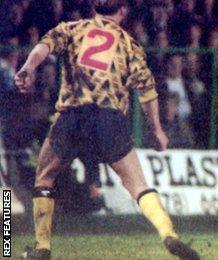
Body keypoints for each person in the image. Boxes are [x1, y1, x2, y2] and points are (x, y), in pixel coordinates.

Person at [13, 1, 199, 259]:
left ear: (94, 9)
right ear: (122, 12)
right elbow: (147, 89)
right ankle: (169, 234)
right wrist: (157, 129)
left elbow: (44, 46)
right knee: (138, 186)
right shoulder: (128, 44)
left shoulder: (73, 28)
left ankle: (42, 247)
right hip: (109, 119)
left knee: (44, 177)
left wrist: (28, 67)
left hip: (72, 116)